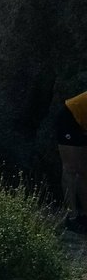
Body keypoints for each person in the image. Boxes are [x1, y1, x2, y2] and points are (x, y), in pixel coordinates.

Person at [57, 91, 87, 232]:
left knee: (82, 171)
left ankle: (84, 215)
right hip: (68, 118)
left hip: (81, 123)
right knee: (70, 169)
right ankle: (71, 216)